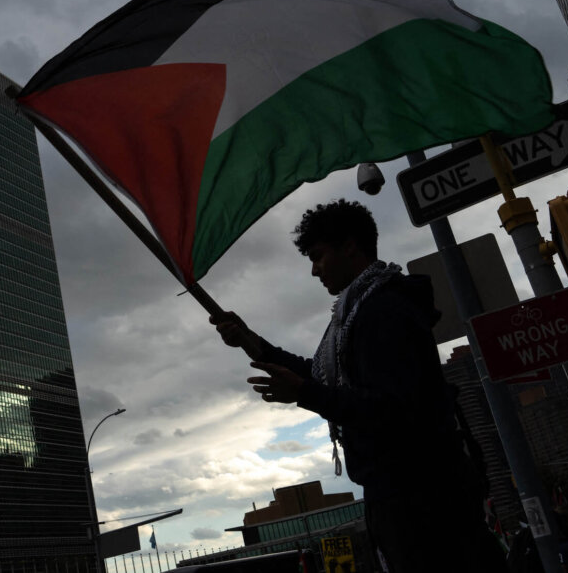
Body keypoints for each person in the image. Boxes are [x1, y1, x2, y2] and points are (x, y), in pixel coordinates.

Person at [211, 199, 504, 573]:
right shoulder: (355, 313)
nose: (315, 271)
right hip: (402, 494)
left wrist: (304, 393)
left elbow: (391, 409)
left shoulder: (384, 311)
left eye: (318, 256)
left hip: (424, 498)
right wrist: (251, 340)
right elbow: (321, 375)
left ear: (350, 246)